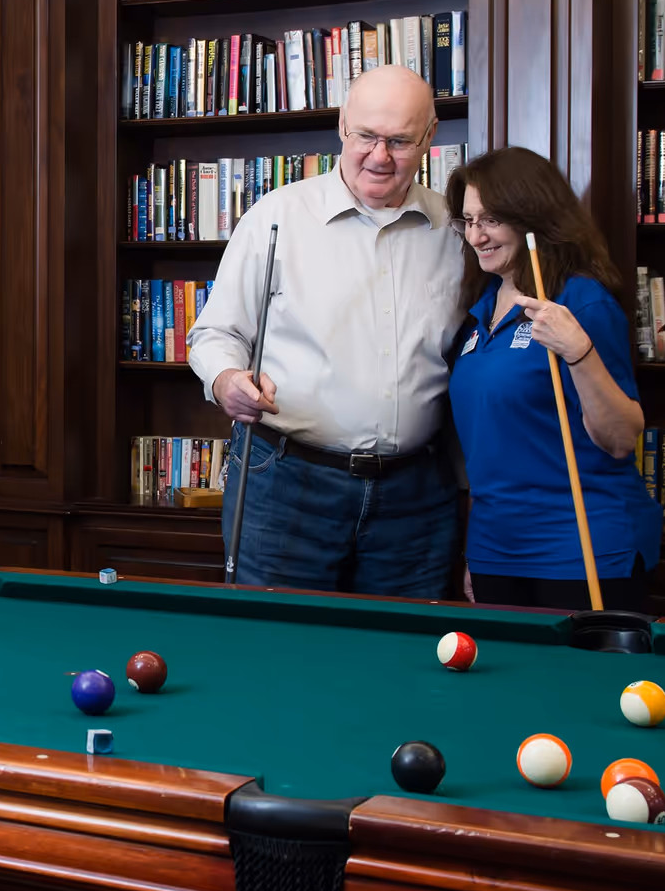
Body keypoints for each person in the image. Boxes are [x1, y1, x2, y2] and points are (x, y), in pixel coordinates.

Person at [188, 65, 469, 597]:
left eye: (400, 141)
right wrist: (227, 379)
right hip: (287, 482)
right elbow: (215, 332)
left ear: (430, 138)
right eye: (366, 136)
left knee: (403, 663)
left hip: (416, 496)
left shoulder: (456, 231)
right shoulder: (277, 217)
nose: (379, 156)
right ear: (342, 126)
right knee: (276, 653)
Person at [445, 147, 660, 610]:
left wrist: (578, 351)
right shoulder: (477, 308)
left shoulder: (580, 303)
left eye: (491, 220)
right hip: (494, 548)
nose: (476, 235)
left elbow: (621, 438)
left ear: (531, 217)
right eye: (468, 221)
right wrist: (473, 551)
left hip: (580, 548)